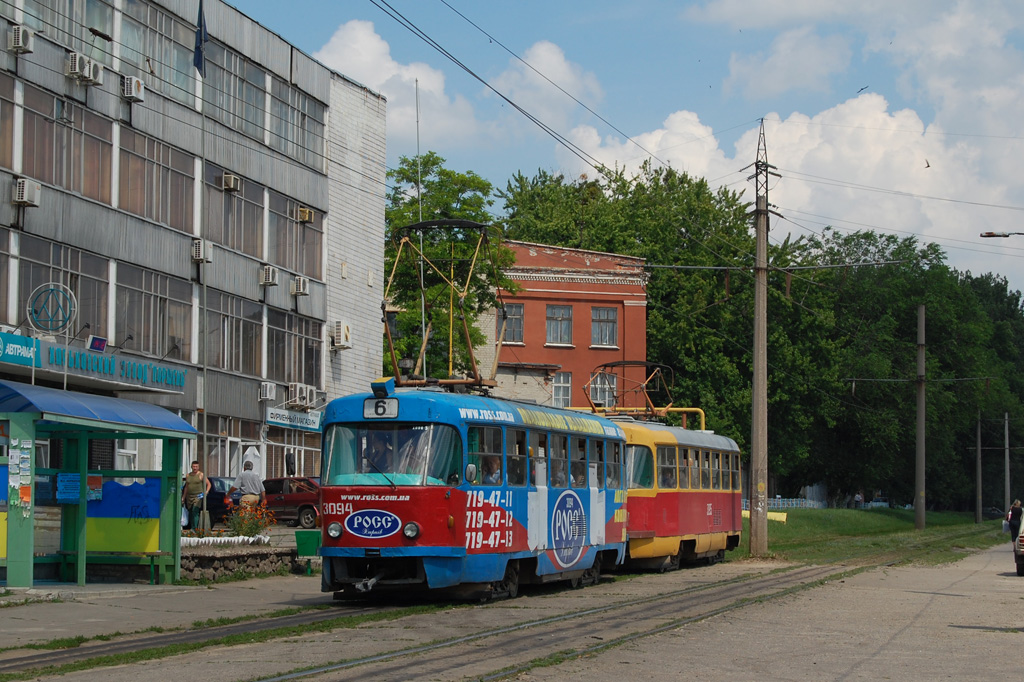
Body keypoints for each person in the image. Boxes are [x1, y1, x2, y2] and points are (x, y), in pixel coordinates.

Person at [181, 460, 211, 530]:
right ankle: (192, 527)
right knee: (190, 511)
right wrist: (183, 497)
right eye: (193, 466)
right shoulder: (188, 475)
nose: (195, 468)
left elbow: (209, 484)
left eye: (196, 466)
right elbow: (186, 487)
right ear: (191, 467)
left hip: (198, 496)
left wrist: (206, 492)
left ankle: (195, 529)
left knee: (195, 510)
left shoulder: (201, 475)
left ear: (198, 467)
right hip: (189, 496)